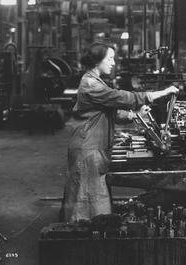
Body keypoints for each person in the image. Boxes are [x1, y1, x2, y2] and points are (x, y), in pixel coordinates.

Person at [60, 42, 179, 222]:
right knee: (87, 205)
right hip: (88, 150)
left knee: (88, 201)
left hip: (91, 148)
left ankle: (89, 232)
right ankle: (84, 237)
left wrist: (135, 115)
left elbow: (110, 111)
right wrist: (160, 93)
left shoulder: (95, 81)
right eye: (109, 58)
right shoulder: (91, 84)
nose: (113, 62)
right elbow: (121, 97)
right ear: (97, 61)